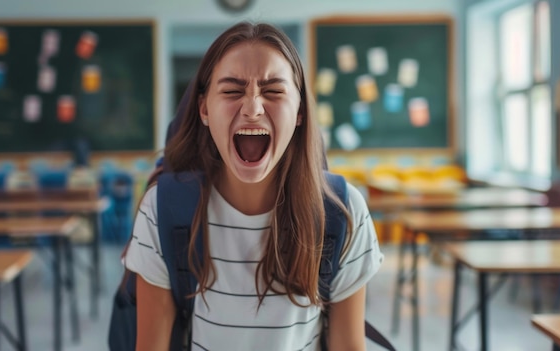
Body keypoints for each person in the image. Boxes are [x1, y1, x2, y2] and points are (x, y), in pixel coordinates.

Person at [123, 21, 383, 351]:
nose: (252, 108)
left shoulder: (343, 213)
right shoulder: (162, 211)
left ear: (300, 111)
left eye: (273, 91)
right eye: (232, 91)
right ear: (204, 109)